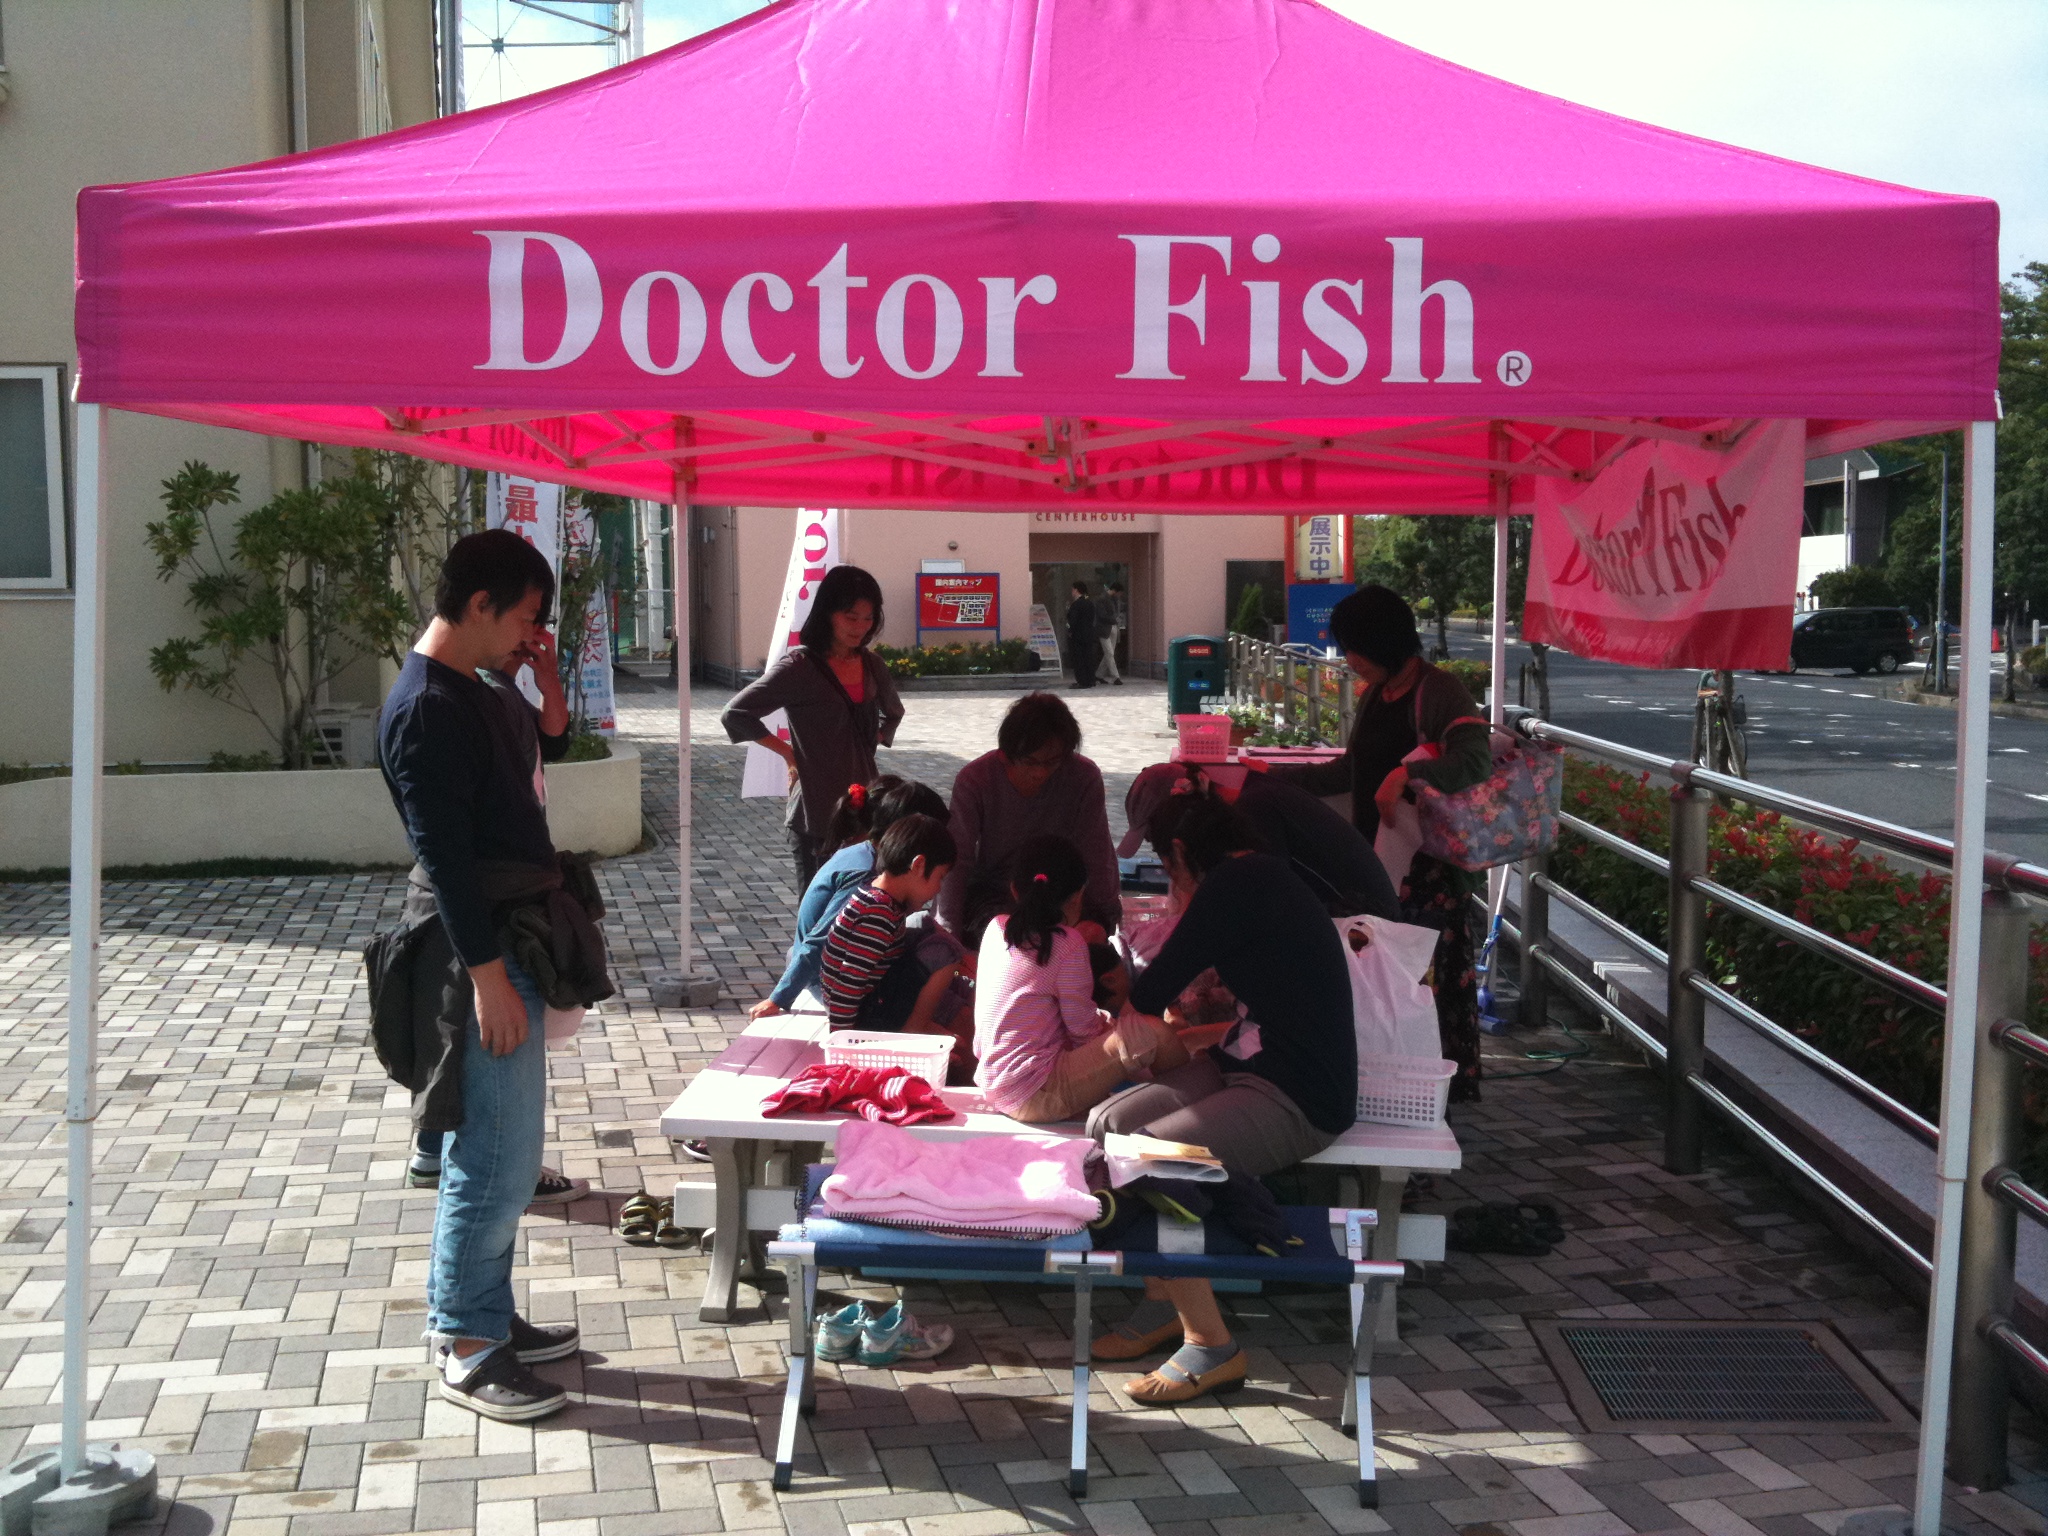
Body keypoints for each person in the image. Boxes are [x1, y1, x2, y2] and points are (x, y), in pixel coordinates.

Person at [377, 529, 587, 1424]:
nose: (530, 634)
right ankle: (466, 1339)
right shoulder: (426, 708)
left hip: (507, 939)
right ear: (478, 605)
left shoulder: (474, 686)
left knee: (509, 1150)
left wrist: (542, 679)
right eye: (526, 617)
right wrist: (488, 980)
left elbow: (544, 752)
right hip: (481, 950)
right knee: (492, 1157)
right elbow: (447, 862)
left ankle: (486, 1312)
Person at [1086, 792, 1355, 1405]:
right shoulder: (1256, 877)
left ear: (1182, 852)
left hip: (1300, 1095)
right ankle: (1165, 1300)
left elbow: (1153, 988)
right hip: (1247, 1062)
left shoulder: (1239, 882)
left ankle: (1212, 1345)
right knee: (1108, 1124)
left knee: (1149, 1156)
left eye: (1167, 865)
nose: (1169, 881)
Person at [1261, 585, 1492, 1102]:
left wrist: (1406, 775)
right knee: (1384, 980)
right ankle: (1387, 1082)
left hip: (1429, 870)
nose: (1350, 661)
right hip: (1377, 860)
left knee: (1425, 983)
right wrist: (1271, 778)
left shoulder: (1440, 692)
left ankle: (1437, 1090)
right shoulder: (1375, 694)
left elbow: (1474, 762)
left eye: (1356, 649)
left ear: (1384, 643)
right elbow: (1350, 771)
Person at [973, 834, 1187, 1123]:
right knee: (1154, 1032)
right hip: (1036, 1094)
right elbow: (1082, 1031)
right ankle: (1186, 1111)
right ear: (1077, 896)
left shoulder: (995, 929)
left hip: (994, 1082)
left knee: (1132, 1041)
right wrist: (1113, 1028)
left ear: (1014, 890)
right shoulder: (1069, 944)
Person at [723, 564, 905, 891]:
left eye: (868, 618)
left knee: (858, 906)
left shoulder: (873, 665)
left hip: (864, 809)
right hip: (814, 811)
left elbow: (894, 713)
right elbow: (735, 713)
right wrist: (789, 754)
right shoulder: (799, 667)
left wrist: (867, 741)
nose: (861, 627)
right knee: (817, 909)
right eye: (851, 616)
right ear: (827, 613)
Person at [749, 776, 949, 1019]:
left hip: (828, 969)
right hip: (832, 984)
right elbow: (818, 941)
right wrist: (778, 999)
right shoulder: (866, 876)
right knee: (940, 960)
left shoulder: (863, 851)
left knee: (928, 931)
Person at [938, 692, 1120, 947]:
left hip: (1061, 893)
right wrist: (948, 936)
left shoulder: (1084, 776)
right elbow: (957, 861)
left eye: (1052, 762)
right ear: (1006, 755)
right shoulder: (975, 780)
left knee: (1084, 939)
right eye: (1030, 762)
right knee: (1007, 942)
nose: (1040, 773)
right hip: (995, 894)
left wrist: (1102, 919)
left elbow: (1096, 852)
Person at [1116, 761, 1401, 920]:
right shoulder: (1247, 799)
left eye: (1159, 839)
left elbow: (1267, 909)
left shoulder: (1255, 812)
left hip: (1368, 928)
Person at [819, 814, 966, 1040]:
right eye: (940, 877)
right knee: (945, 953)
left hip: (872, 1000)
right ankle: (914, 1028)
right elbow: (848, 984)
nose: (939, 888)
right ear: (919, 865)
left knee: (927, 926)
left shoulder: (877, 895)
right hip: (867, 1016)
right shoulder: (878, 913)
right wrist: (845, 1040)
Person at [1065, 580, 1100, 689]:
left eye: (1072, 589)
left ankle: (1082, 681)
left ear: (1076, 590)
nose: (1071, 591)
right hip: (1088, 634)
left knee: (1079, 659)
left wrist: (1070, 631)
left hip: (1078, 636)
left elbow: (1073, 621)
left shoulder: (1076, 604)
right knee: (1088, 658)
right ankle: (1090, 680)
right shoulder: (1089, 603)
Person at [1097, 581, 1127, 686]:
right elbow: (1101, 615)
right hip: (1104, 629)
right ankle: (1115, 677)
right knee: (1109, 653)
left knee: (1109, 653)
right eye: (1119, 593)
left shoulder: (1116, 600)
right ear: (1115, 591)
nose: (1120, 595)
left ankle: (1099, 674)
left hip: (1114, 627)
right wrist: (1114, 619)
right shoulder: (1102, 599)